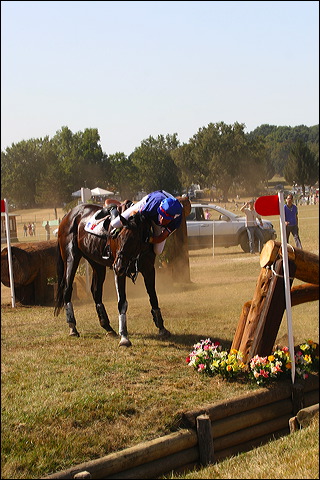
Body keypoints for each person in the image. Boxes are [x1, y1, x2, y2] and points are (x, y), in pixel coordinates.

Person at [104, 190, 183, 259]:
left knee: (158, 250)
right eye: (162, 215)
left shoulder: (176, 220)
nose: (162, 219)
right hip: (150, 201)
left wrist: (149, 239)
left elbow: (162, 237)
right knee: (115, 223)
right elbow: (133, 214)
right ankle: (122, 206)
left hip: (158, 209)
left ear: (173, 218)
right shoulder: (151, 206)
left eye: (166, 218)